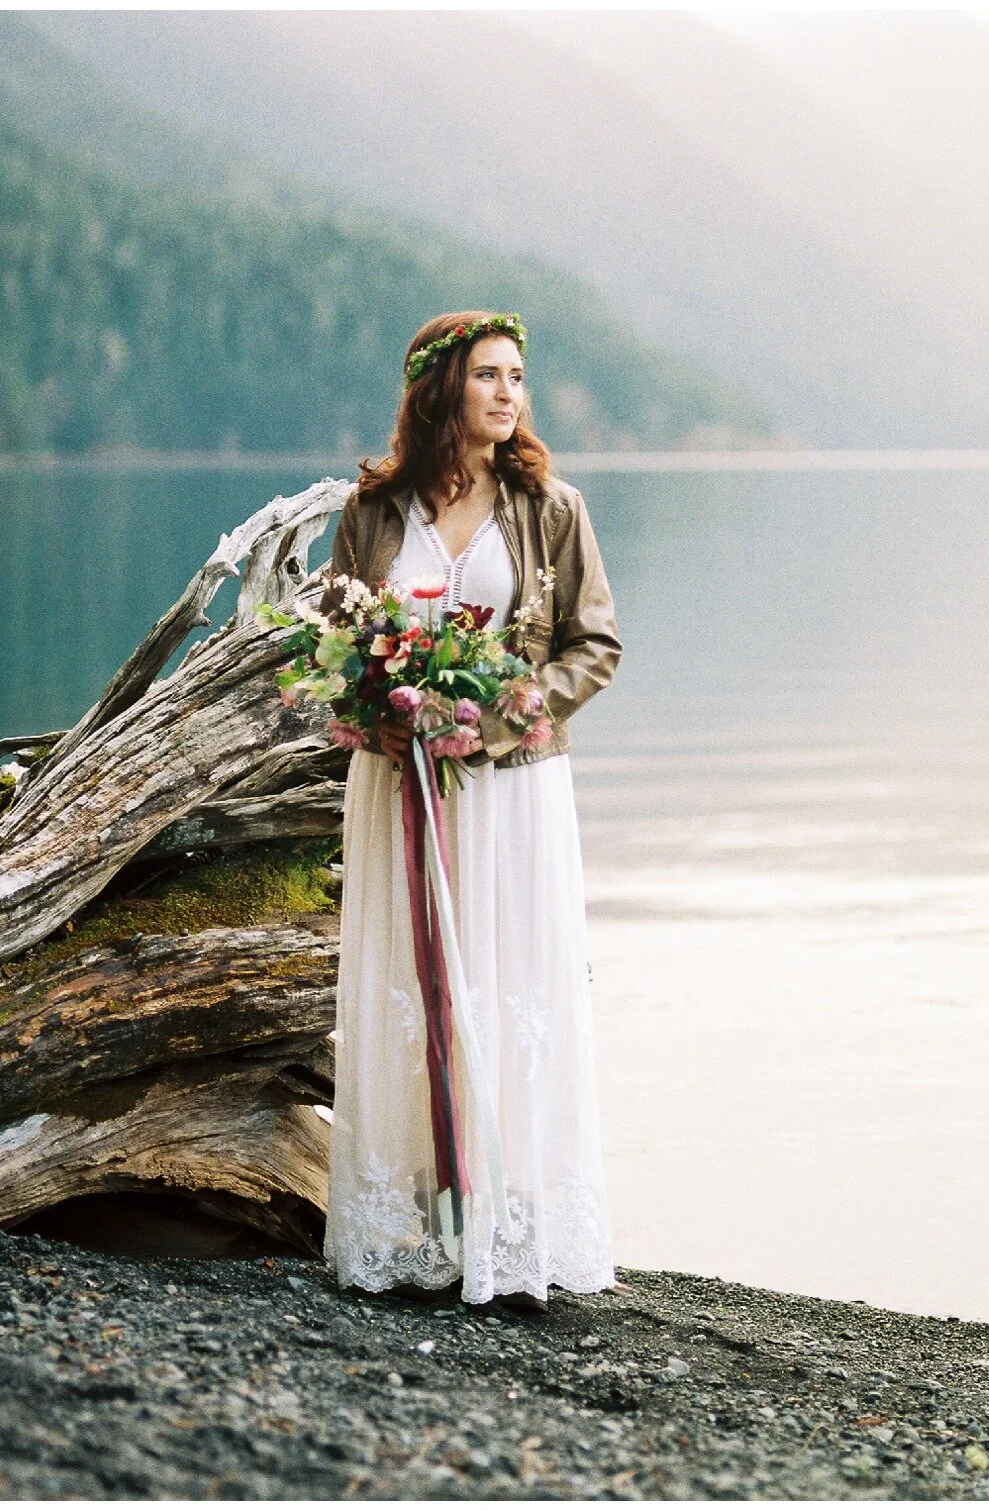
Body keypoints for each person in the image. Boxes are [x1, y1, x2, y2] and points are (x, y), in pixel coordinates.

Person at [318, 311, 621, 1312]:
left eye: (517, 377)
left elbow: (593, 645)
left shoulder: (551, 507)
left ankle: (509, 1230)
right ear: (440, 387)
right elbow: (332, 643)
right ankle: (418, 1224)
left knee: (506, 984)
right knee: (412, 986)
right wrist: (370, 703)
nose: (507, 392)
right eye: (487, 375)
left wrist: (507, 711)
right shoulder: (372, 511)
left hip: (512, 786)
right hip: (397, 782)